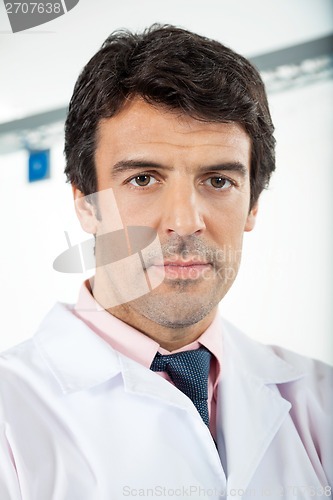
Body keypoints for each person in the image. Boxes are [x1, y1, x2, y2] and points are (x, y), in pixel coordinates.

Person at [0, 24, 332, 500]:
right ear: (86, 204)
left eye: (218, 181)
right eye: (143, 179)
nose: (184, 221)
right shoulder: (10, 417)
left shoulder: (319, 399)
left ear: (253, 206)